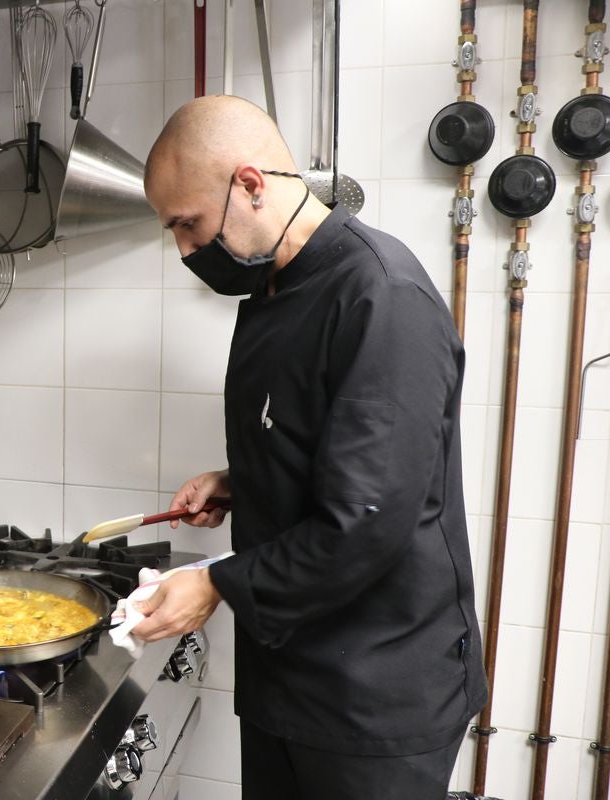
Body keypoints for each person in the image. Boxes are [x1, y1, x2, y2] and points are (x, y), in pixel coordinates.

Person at [132, 95, 488, 798]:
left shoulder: (379, 296)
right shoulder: (274, 288)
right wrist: (243, 477)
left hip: (375, 691)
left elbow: (364, 520)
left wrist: (214, 583)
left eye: (188, 224)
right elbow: (317, 438)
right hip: (291, 674)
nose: (183, 250)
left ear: (251, 185)